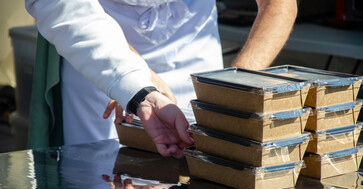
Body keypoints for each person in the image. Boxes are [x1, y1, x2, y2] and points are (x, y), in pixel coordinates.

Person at [25, 0, 297, 158]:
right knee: (106, 184)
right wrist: (133, 82)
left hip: (194, 41)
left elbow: (278, 3)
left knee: (198, 178)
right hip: (100, 51)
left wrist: (231, 86)